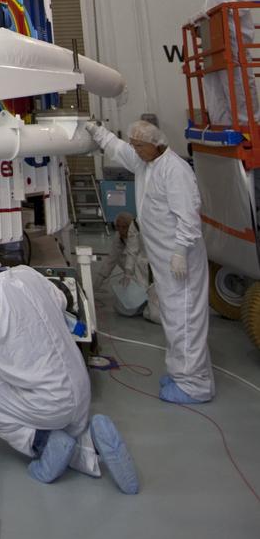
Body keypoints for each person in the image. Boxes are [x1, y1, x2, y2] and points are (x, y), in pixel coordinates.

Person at [0, 240, 138, 493]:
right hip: (80, 388)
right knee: (59, 412)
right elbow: (60, 300)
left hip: (51, 403)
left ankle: (44, 443)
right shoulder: (26, 273)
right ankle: (89, 442)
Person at [86, 118, 213, 404]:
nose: (135, 150)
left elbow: (188, 217)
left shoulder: (175, 170)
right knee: (173, 319)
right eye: (134, 145)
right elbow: (119, 149)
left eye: (139, 145)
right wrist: (97, 131)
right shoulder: (146, 162)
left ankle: (194, 385)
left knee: (184, 320)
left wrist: (180, 252)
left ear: (156, 144)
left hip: (180, 261)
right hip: (164, 261)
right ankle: (182, 375)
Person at [198, 0, 257, 126]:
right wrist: (203, 17)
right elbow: (216, 2)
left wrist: (215, 14)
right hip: (217, 32)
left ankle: (246, 123)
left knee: (236, 79)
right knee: (215, 79)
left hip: (231, 33)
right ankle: (223, 123)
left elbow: (241, 2)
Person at [95, 213, 160, 322]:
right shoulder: (119, 239)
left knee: (154, 314)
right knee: (123, 307)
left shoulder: (141, 233)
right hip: (133, 277)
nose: (121, 230)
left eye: (124, 227)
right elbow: (110, 261)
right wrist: (94, 286)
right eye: (118, 227)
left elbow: (135, 253)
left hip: (150, 274)